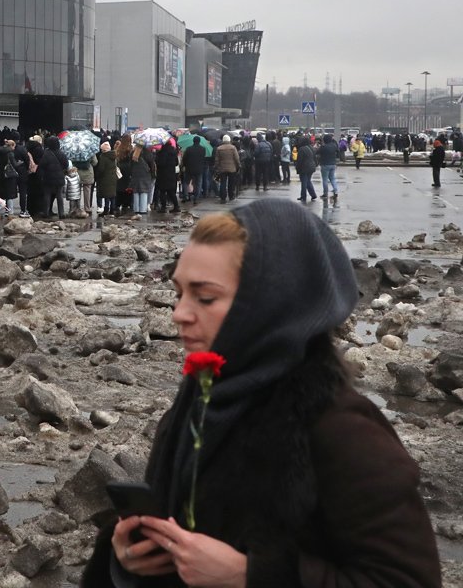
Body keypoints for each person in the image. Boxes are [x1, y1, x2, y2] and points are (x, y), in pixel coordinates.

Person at [80, 199, 440, 588]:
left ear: (270, 305)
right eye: (179, 292)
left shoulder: (341, 429)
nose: (179, 313)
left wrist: (251, 575)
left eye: (205, 297)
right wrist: (127, 556)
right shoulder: (202, 399)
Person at [129, 143, 156, 215]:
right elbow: (152, 165)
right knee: (144, 191)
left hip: (135, 174)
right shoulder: (147, 152)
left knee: (136, 191)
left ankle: (136, 209)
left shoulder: (133, 153)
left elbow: (130, 165)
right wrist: (153, 174)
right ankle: (143, 209)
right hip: (145, 174)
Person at [213, 135, 239, 204]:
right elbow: (236, 158)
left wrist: (216, 167)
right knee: (231, 183)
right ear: (229, 140)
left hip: (222, 168)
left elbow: (217, 160)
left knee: (223, 183)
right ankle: (231, 196)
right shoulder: (233, 148)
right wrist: (238, 165)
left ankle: (223, 197)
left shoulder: (219, 148)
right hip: (232, 168)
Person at [94, 141, 118, 216]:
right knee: (112, 194)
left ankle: (106, 209)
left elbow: (101, 169)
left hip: (105, 178)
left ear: (103, 150)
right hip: (113, 177)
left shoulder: (103, 157)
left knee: (107, 195)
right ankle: (112, 209)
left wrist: (97, 175)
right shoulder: (114, 155)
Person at [296, 135, 318, 202]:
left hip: (304, 167)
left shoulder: (301, 149)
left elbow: (299, 160)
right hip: (311, 167)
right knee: (308, 181)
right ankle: (313, 195)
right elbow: (315, 158)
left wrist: (297, 168)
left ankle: (303, 196)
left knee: (304, 182)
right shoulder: (311, 148)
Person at [318, 133, 339, 204]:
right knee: (332, 178)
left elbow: (317, 152)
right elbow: (338, 152)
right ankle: (335, 191)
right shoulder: (334, 146)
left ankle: (325, 194)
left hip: (324, 164)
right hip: (333, 164)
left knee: (325, 179)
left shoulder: (323, 147)